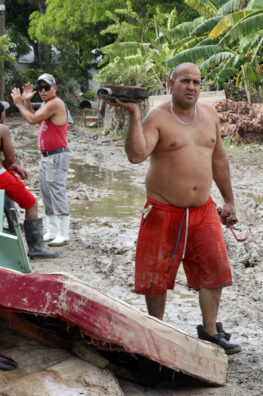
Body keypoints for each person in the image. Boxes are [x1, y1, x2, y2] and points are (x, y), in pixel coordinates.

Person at [108, 62, 241, 355]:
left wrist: (229, 200)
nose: (191, 86)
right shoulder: (157, 118)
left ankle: (209, 331)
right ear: (170, 84)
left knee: (213, 269)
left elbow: (219, 159)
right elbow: (136, 155)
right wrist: (133, 114)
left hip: (202, 210)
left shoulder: (209, 115)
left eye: (196, 81)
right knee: (156, 276)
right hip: (163, 209)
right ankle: (156, 331)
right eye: (185, 81)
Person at [0, 100, 57, 259]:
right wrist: (9, 167)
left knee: (10, 184)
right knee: (31, 203)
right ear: (2, 114)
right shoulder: (1, 128)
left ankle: (11, 226)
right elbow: (10, 157)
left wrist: (9, 168)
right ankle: (36, 249)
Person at [10, 73, 71, 247]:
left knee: (56, 191)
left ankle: (63, 232)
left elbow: (31, 119)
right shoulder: (47, 104)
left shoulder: (55, 103)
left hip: (57, 155)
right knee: (46, 192)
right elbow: (36, 118)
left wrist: (19, 104)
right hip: (47, 156)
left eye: (46, 87)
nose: (43, 91)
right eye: (40, 88)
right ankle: (52, 230)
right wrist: (28, 102)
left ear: (55, 88)